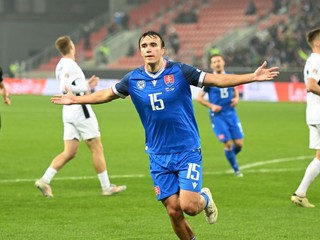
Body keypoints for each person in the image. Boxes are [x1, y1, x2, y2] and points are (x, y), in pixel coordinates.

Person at [51, 31, 279, 239]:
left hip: (187, 149)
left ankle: (205, 198)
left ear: (162, 50)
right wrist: (76, 98)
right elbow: (106, 95)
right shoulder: (133, 79)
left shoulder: (179, 71)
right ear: (140, 51)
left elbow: (216, 79)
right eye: (144, 46)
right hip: (158, 154)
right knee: (173, 211)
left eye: (153, 45)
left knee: (189, 206)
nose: (148, 49)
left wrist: (252, 76)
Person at [35, 35, 126, 198]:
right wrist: (85, 86)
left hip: (68, 111)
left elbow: (69, 85)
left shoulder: (60, 65)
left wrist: (86, 85)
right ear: (71, 47)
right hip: (80, 109)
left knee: (69, 152)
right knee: (97, 147)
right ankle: (106, 187)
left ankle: (44, 180)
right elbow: (65, 86)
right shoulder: (72, 65)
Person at [197, 54, 244, 177]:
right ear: (211, 65)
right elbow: (199, 98)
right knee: (228, 143)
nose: (217, 63)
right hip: (218, 116)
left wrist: (236, 99)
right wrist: (211, 106)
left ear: (223, 62)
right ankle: (236, 170)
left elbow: (235, 90)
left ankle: (230, 155)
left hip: (231, 114)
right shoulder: (209, 80)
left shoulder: (230, 76)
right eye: (214, 62)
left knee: (239, 144)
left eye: (219, 61)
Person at [291, 28, 320, 208]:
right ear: (318, 43)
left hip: (314, 113)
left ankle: (300, 193)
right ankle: (300, 193)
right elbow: (311, 85)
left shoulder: (311, 59)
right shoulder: (317, 59)